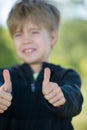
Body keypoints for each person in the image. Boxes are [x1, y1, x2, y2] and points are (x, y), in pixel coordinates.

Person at [0, 0, 83, 130]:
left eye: (34, 32)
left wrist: (62, 96)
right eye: (18, 34)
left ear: (52, 37)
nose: (26, 40)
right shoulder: (4, 78)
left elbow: (75, 100)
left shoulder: (67, 76)